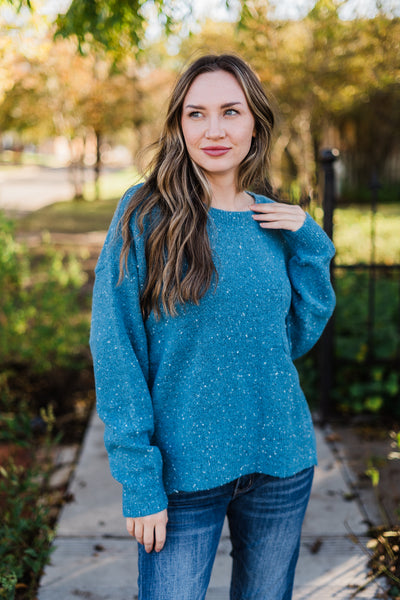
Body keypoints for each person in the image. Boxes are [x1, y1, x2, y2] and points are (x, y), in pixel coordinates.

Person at [90, 53, 335, 600]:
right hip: (181, 475)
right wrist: (138, 479)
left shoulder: (274, 220)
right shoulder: (145, 213)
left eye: (231, 111)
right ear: (179, 125)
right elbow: (115, 347)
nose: (215, 130)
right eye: (196, 114)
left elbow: (294, 339)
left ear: (256, 122)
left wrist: (311, 243)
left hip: (280, 460)